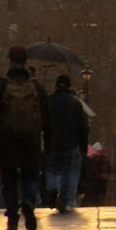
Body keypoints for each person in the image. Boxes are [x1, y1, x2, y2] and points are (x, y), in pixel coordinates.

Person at [0, 46, 50, 230]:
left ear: (9, 61)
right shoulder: (36, 87)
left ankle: (12, 220)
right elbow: (47, 114)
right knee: (31, 176)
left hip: (6, 140)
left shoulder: (1, 85)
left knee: (9, 179)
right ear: (26, 61)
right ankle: (28, 200)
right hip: (31, 139)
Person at [44, 73, 93, 213]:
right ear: (70, 86)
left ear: (55, 86)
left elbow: (44, 123)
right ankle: (67, 201)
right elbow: (83, 127)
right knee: (70, 172)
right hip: (71, 143)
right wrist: (84, 147)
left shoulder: (49, 101)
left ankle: (52, 189)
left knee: (52, 169)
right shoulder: (76, 104)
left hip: (52, 143)